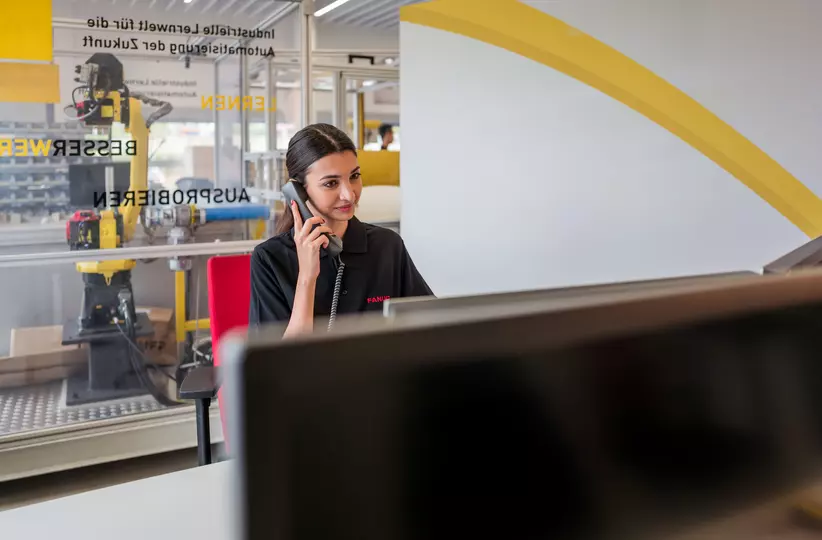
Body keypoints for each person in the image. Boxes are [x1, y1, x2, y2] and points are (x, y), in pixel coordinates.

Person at [249, 123, 432, 337]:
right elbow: (278, 363)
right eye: (331, 183)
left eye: (354, 176)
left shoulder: (388, 246)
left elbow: (431, 326)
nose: (349, 194)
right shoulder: (270, 259)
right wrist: (307, 277)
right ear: (298, 191)